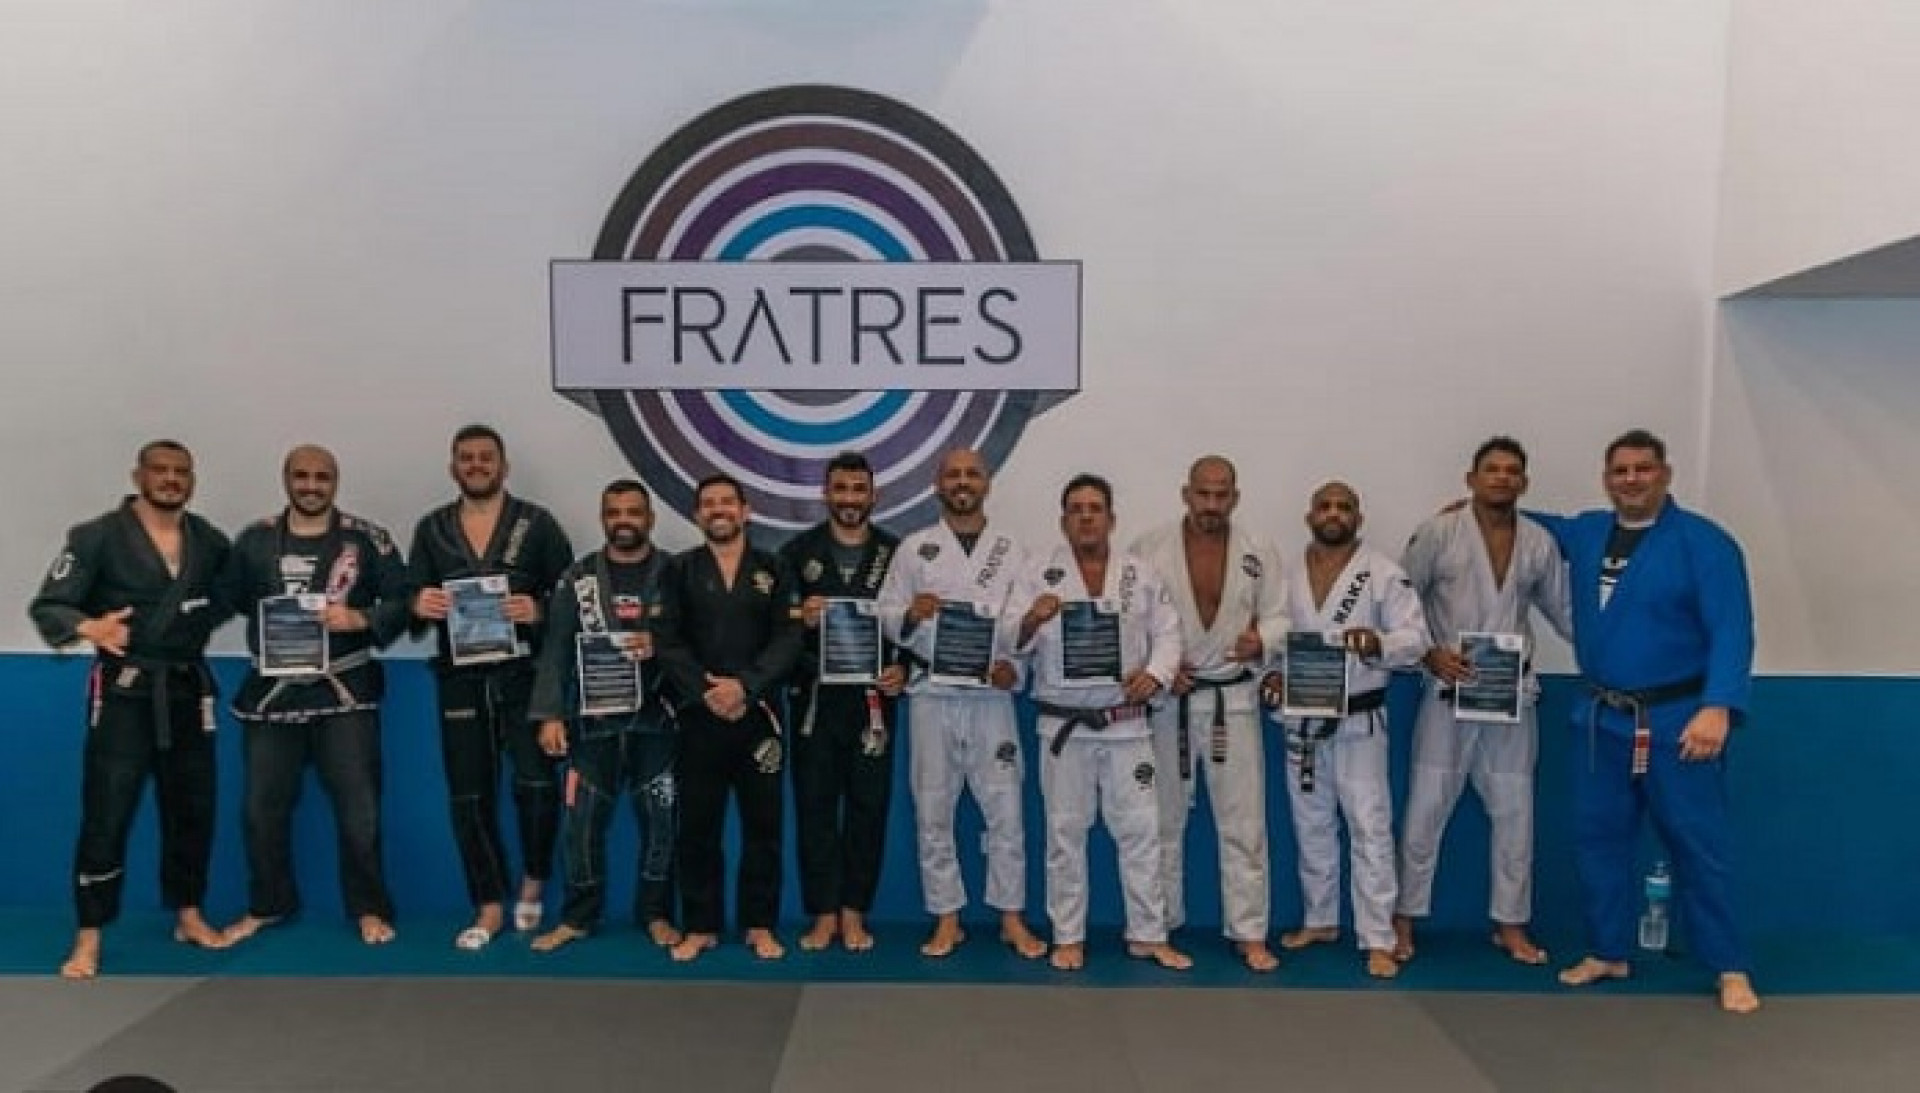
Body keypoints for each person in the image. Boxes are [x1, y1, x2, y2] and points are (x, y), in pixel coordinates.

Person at [1532, 429, 1761, 1014]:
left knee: (1697, 842)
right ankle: (1607, 950)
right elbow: (1535, 521)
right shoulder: (1587, 532)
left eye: (1643, 469)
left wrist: (1718, 706)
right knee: (1598, 839)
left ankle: (1728, 965)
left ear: (1666, 474)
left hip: (1678, 718)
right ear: (1606, 479)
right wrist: (1473, 506)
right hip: (1600, 718)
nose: (1631, 480)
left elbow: (1732, 629)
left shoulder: (1704, 543)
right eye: (1620, 471)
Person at [29, 440, 235, 978]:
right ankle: (88, 935)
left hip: (187, 689)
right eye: (160, 470)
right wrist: (89, 627)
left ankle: (188, 914)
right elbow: (49, 604)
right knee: (107, 812)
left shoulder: (209, 541)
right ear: (137, 475)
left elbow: (232, 591)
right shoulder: (96, 536)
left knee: (193, 809)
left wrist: (268, 534)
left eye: (181, 471)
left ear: (192, 480)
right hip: (125, 692)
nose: (171, 479)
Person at [218, 445, 410, 947]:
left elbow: (405, 597)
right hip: (273, 691)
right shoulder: (255, 539)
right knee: (260, 809)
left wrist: (361, 617)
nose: (311, 485)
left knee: (360, 810)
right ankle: (268, 904)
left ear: (335, 481)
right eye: (301, 476)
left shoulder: (366, 539)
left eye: (321, 477)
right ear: (286, 479)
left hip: (343, 689)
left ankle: (369, 907)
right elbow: (229, 596)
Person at [1390, 438, 1573, 965]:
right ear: (1471, 478)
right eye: (1491, 469)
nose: (1502, 478)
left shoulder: (1537, 542)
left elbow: (1566, 612)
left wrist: (1620, 650)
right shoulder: (1438, 533)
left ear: (1524, 483)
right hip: (1447, 689)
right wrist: (1429, 654)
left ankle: (1510, 923)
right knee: (1425, 808)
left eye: (1512, 471)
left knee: (1516, 812)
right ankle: (1403, 918)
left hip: (1509, 693)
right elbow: (1401, 602)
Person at [1008, 474, 1189, 971]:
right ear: (1063, 520)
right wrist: (1030, 620)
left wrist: (1155, 675)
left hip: (1127, 725)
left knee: (1142, 831)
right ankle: (1068, 934)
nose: (1086, 516)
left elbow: (1168, 634)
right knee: (1065, 833)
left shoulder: (1140, 574)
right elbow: (1009, 642)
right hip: (1063, 728)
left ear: (1111, 518)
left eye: (1095, 508)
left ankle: (1148, 934)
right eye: (1076, 509)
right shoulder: (1036, 573)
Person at [406, 425, 574, 950]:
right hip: (459, 678)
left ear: (503, 467)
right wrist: (418, 604)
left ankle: (534, 878)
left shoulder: (537, 524)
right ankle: (489, 903)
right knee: (469, 794)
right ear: (453, 467)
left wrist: (538, 610)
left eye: (486, 457)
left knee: (537, 786)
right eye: (466, 458)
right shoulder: (432, 529)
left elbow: (571, 600)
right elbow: (410, 598)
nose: (476, 465)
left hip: (523, 675)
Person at [876, 448, 1048, 960]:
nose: (962, 482)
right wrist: (911, 613)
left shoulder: (1013, 551)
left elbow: (1023, 626)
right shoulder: (914, 549)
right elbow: (886, 613)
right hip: (931, 694)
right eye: (953, 475)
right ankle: (946, 917)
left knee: (1006, 807)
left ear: (987, 484)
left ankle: (1011, 916)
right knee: (933, 807)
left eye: (972, 474)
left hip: (991, 697)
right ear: (938, 485)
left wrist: (1013, 665)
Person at [1262, 481, 1428, 979]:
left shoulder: (1383, 573)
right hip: (1302, 717)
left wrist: (1377, 642)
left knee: (1369, 826)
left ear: (1359, 517)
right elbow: (1268, 637)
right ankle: (1320, 919)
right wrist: (1269, 675)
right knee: (1310, 823)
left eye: (1344, 507)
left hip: (1360, 719)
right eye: (1325, 506)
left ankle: (1377, 936)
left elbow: (1416, 640)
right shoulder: (1284, 574)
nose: (1334, 514)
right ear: (1309, 515)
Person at [1131, 456, 1287, 972]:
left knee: (1244, 822)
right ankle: (1159, 925)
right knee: (1161, 819)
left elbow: (1280, 614)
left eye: (1222, 495)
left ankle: (1249, 932)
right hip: (1168, 704)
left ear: (1235, 497)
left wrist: (1262, 639)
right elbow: (1130, 622)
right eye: (1204, 493)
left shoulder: (1258, 549)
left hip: (1233, 700)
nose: (1212, 504)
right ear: (1187, 493)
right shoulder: (1148, 548)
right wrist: (1159, 666)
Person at [653, 474, 803, 961]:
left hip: (759, 715)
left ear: (745, 511)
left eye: (727, 502)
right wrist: (706, 690)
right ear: (697, 515)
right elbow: (667, 641)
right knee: (698, 827)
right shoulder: (678, 570)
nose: (718, 510)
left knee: (763, 827)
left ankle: (759, 924)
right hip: (699, 717)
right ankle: (701, 925)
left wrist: (745, 686)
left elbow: (789, 639)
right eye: (709, 504)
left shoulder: (776, 569)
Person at [528, 480, 681, 952]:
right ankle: (578, 917)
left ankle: (656, 913)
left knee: (662, 821)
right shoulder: (578, 580)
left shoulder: (676, 573)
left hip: (659, 718)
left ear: (650, 518)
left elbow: (698, 642)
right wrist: (549, 715)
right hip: (592, 721)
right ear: (603, 519)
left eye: (633, 512)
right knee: (582, 824)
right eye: (614, 513)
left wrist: (661, 645)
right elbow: (555, 648)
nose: (624, 521)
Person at [778, 453, 906, 953]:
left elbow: (913, 626)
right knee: (815, 809)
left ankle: (854, 912)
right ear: (826, 494)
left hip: (874, 702)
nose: (850, 498)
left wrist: (904, 669)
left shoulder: (896, 554)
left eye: (858, 489)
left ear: (873, 496)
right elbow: (775, 628)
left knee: (867, 809)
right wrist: (800, 620)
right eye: (841, 489)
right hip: (816, 700)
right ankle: (824, 914)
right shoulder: (797, 553)